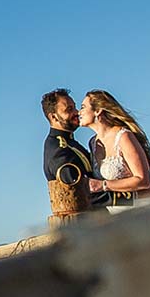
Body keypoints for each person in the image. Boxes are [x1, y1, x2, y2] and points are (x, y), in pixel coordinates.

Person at [79, 89, 150, 211]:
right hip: (117, 210)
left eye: (83, 107)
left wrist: (103, 185)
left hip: (144, 206)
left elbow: (143, 180)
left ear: (98, 111)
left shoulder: (123, 136)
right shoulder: (93, 143)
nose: (79, 112)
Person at [40, 88, 105, 221]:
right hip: (89, 227)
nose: (76, 113)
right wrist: (128, 197)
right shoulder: (59, 150)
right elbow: (81, 193)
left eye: (75, 107)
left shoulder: (70, 143)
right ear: (53, 117)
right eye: (69, 109)